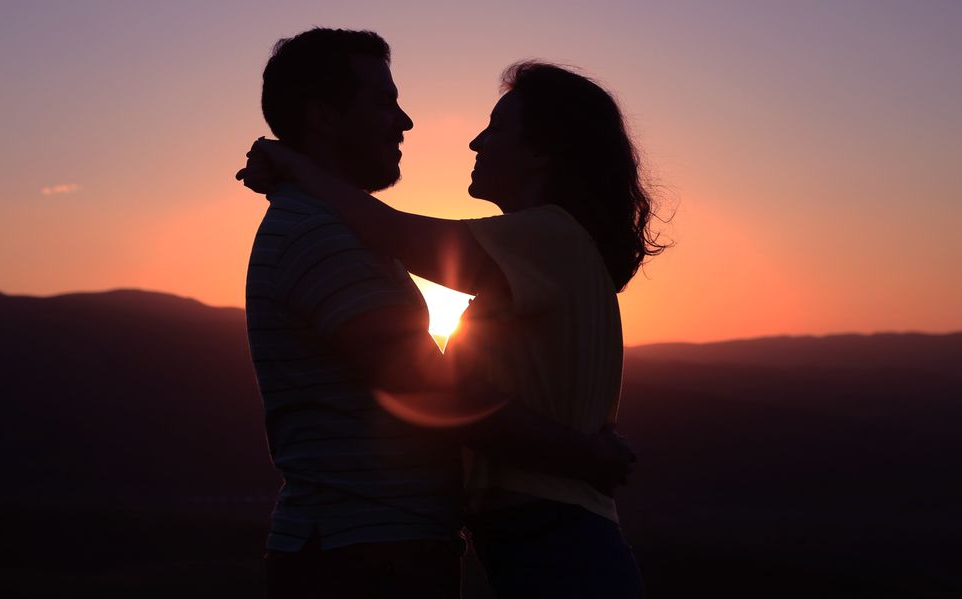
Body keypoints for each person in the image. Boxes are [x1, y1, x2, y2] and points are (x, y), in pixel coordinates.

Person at [241, 60, 664, 598]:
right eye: (384, 101)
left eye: (495, 128)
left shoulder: (549, 238)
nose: (474, 142)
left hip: (554, 537)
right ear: (324, 117)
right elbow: (439, 388)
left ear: (540, 151)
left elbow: (394, 231)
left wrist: (292, 165)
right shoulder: (538, 253)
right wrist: (578, 446)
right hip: (518, 536)